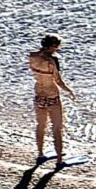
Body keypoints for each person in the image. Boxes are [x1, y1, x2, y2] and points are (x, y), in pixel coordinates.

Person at [27, 35, 77, 166]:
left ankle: (40, 154)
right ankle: (60, 160)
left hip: (39, 95)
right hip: (52, 96)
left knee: (41, 125)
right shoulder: (51, 61)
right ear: (53, 47)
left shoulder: (32, 56)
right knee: (57, 128)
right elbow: (58, 81)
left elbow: (36, 72)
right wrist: (69, 91)